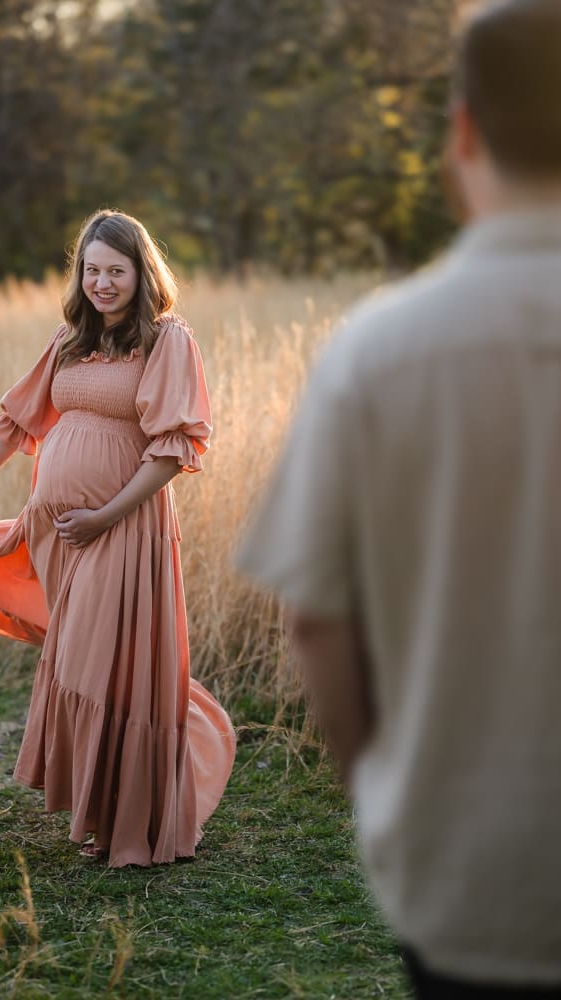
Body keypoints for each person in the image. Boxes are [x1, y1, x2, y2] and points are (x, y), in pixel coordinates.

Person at [237, 0, 561, 995]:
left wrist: (376, 789)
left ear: (461, 132)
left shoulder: (372, 356)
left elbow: (317, 622)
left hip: (470, 885)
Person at [0, 209, 236, 868]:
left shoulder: (167, 342)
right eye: (92, 270)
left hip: (121, 528)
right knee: (86, 664)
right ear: (78, 275)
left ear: (143, 274)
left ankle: (136, 827)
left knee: (101, 664)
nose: (103, 283)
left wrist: (105, 515)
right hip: (59, 533)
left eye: (116, 270)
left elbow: (170, 453)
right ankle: (101, 818)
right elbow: (11, 427)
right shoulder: (70, 342)